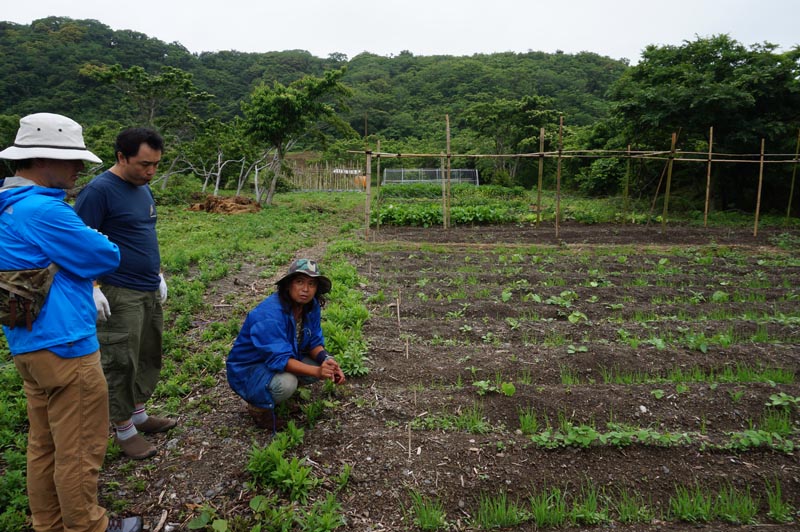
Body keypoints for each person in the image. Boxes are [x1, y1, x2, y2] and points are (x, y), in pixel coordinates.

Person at [0, 113, 141, 532]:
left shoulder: (7, 206)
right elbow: (105, 256)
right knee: (79, 447)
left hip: (28, 343)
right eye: (72, 160)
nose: (79, 168)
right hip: (66, 345)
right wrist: (81, 255)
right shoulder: (45, 211)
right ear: (43, 160)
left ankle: (50, 524)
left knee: (43, 445)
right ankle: (88, 526)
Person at [74, 127, 176, 460]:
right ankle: (123, 429)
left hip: (147, 287)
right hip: (118, 291)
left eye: (156, 164)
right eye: (144, 164)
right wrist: (92, 287)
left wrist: (157, 274)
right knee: (120, 360)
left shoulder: (143, 189)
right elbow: (76, 246)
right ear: (121, 157)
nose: (151, 172)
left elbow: (142, 236)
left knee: (147, 353)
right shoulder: (98, 192)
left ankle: (139, 414)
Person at [226, 258, 346, 431]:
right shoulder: (269, 315)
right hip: (249, 369)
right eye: (299, 282)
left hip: (282, 358)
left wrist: (328, 361)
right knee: (287, 383)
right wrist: (318, 372)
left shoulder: (309, 307)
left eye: (311, 284)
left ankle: (278, 398)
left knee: (317, 364)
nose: (305, 289)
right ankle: (258, 408)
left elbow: (313, 342)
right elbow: (280, 359)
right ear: (288, 284)